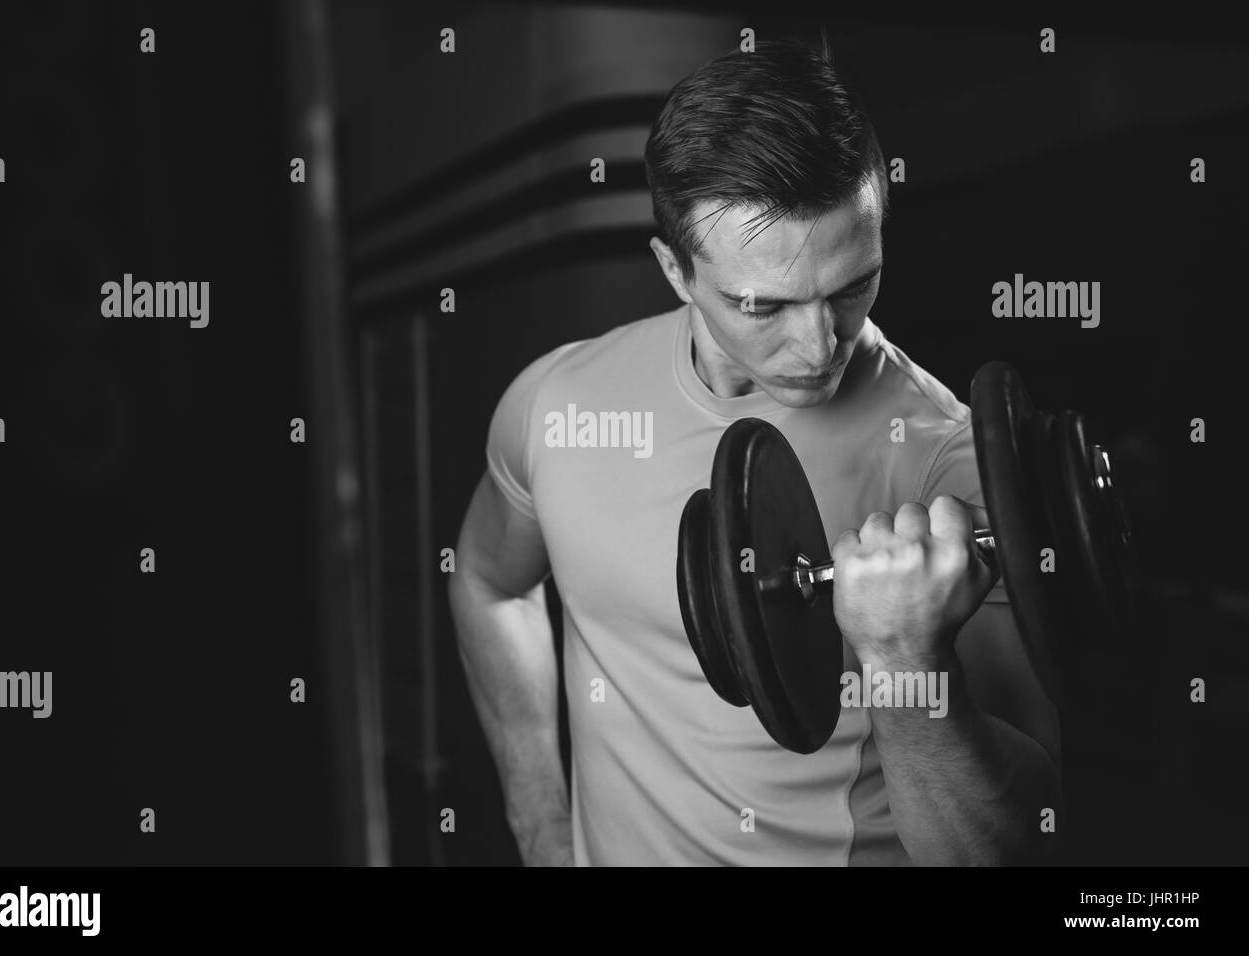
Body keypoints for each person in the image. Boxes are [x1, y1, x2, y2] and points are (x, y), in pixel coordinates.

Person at [449, 37, 1060, 866]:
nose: (816, 347)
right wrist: (541, 827)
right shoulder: (560, 403)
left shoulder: (945, 462)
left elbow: (1011, 847)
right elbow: (488, 581)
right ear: (675, 270)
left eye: (852, 287)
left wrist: (904, 660)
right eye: (762, 306)